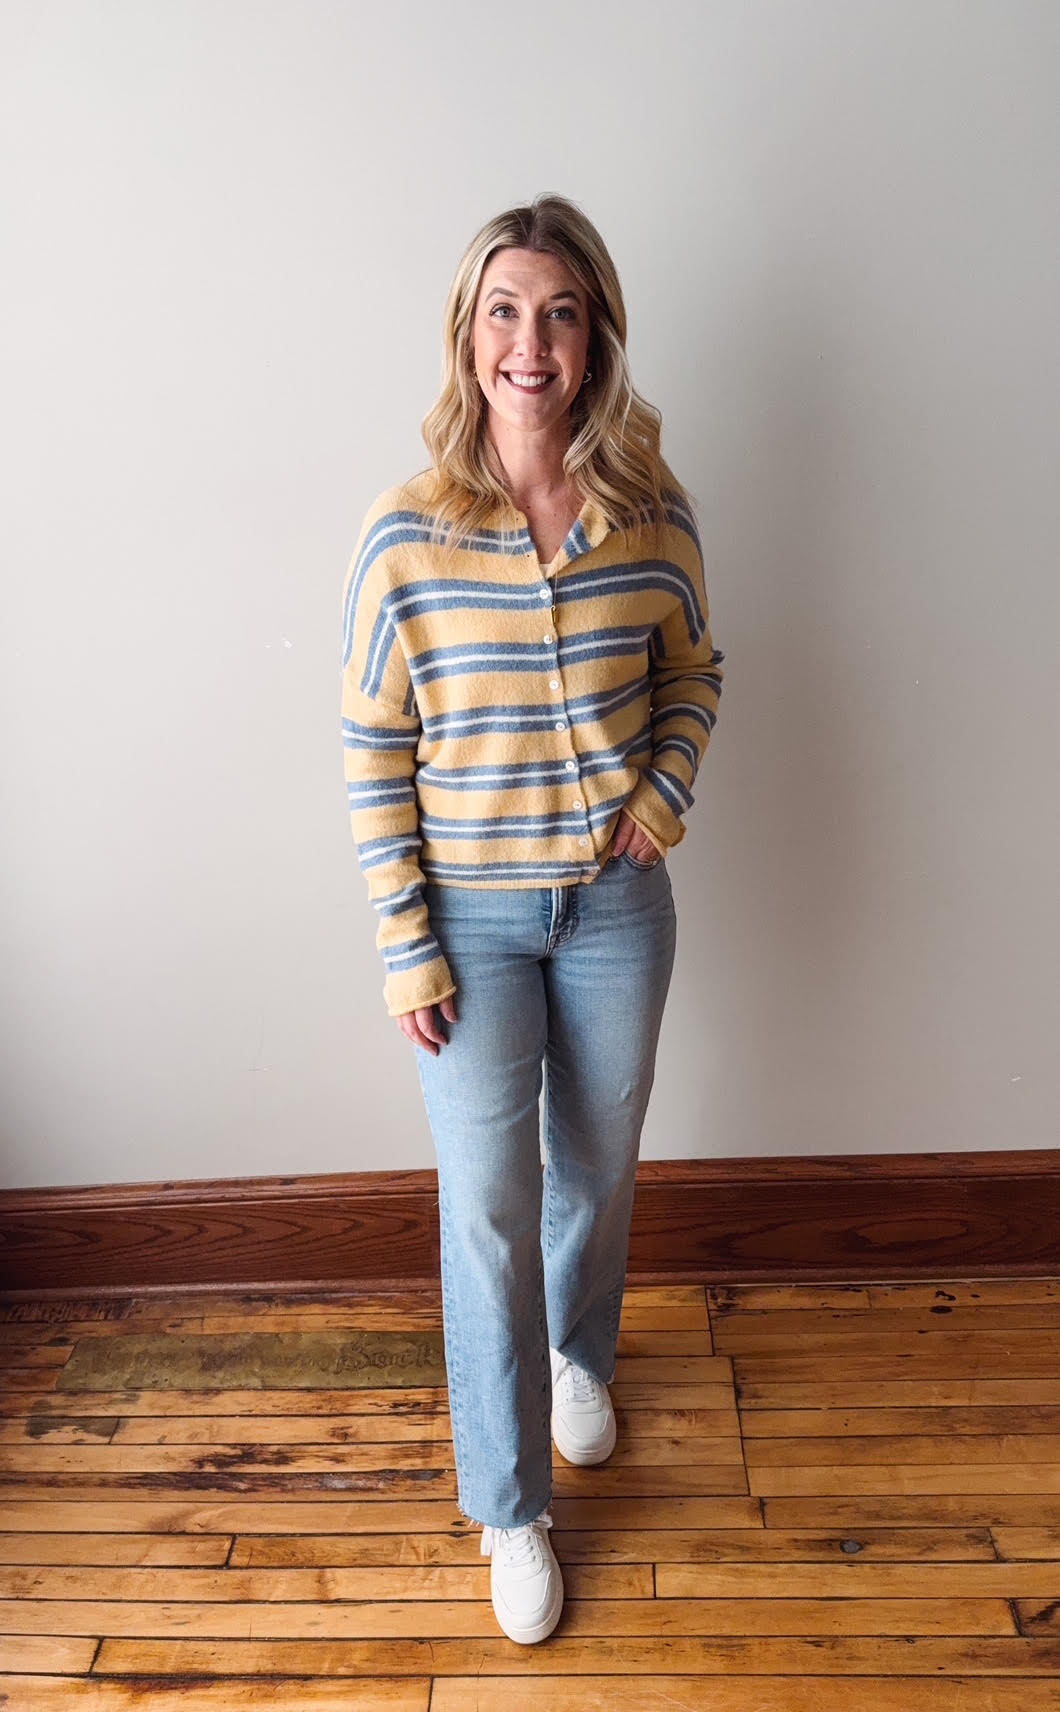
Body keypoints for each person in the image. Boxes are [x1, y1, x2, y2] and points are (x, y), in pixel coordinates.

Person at [340, 193, 723, 1645]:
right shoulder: (406, 535)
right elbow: (373, 747)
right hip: (469, 928)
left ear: (596, 337)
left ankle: (578, 1356)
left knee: (599, 1170)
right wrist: (405, 942)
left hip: (618, 911)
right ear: (467, 335)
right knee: (487, 1208)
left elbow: (696, 671)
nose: (531, 342)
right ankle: (511, 1508)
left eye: (560, 312)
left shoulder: (651, 511)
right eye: (505, 311)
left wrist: (662, 796)